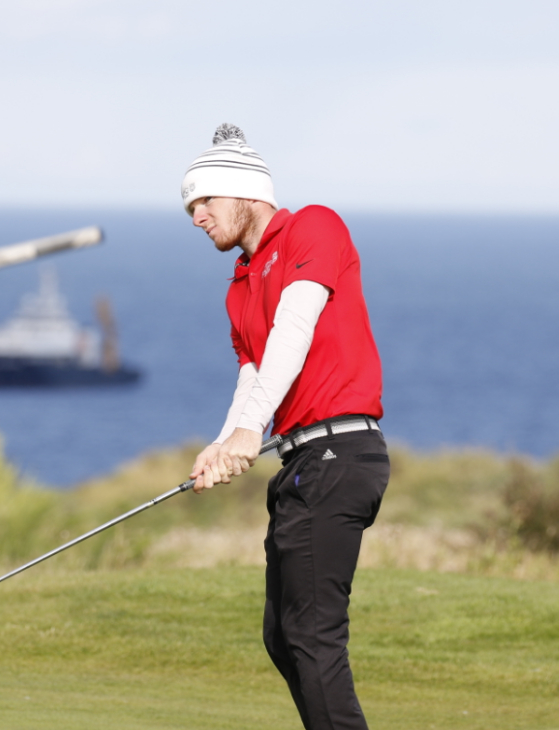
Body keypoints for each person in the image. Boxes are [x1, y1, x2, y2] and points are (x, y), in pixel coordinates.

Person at [182, 124, 390, 730]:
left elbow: (292, 332)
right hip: (302, 466)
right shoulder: (241, 285)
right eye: (190, 206)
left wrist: (250, 434)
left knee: (312, 635)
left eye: (205, 201)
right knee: (283, 635)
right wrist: (224, 443)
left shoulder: (313, 227)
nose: (197, 216)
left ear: (246, 192)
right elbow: (254, 374)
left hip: (340, 452)